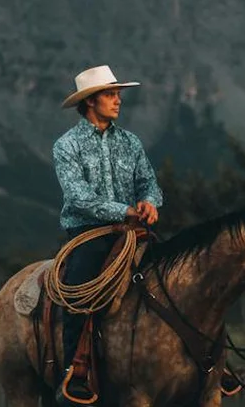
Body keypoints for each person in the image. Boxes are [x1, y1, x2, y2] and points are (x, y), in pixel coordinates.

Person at [52, 64, 163, 404]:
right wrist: (125, 210)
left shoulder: (131, 142)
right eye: (110, 95)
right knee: (79, 292)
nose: (118, 101)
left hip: (133, 231)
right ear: (90, 102)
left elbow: (149, 182)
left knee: (179, 274)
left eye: (117, 94)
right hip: (89, 233)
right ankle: (76, 371)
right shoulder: (67, 146)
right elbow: (79, 198)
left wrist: (149, 202)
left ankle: (201, 360)